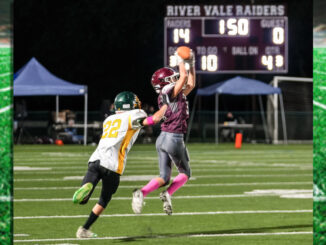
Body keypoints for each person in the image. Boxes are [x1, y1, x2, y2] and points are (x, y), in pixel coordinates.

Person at [72, 91, 168, 238]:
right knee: (104, 200)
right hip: (112, 165)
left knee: (84, 201)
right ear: (130, 105)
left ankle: (85, 192)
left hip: (95, 159)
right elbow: (153, 119)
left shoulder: (109, 119)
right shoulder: (134, 115)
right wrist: (166, 105)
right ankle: (84, 229)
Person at [132, 49, 196, 215]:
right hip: (174, 138)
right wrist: (181, 59)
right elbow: (183, 77)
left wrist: (192, 65)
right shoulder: (170, 92)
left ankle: (142, 193)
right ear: (165, 82)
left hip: (162, 139)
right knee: (185, 173)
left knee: (164, 177)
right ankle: (167, 193)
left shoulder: (171, 94)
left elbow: (191, 83)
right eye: (172, 78)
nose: (176, 79)